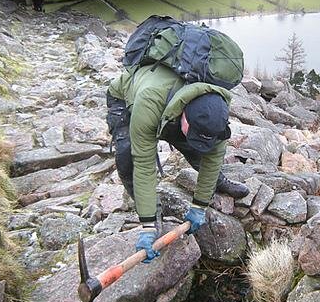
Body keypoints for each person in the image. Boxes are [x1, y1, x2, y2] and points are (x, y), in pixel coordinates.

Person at [106, 61, 249, 262]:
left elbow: (213, 157)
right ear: (184, 117)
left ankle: (219, 182)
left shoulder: (216, 113)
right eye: (193, 133)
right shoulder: (150, 103)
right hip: (127, 99)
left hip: (175, 110)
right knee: (127, 157)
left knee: (197, 149)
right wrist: (147, 226)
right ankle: (152, 217)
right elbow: (144, 165)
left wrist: (199, 206)